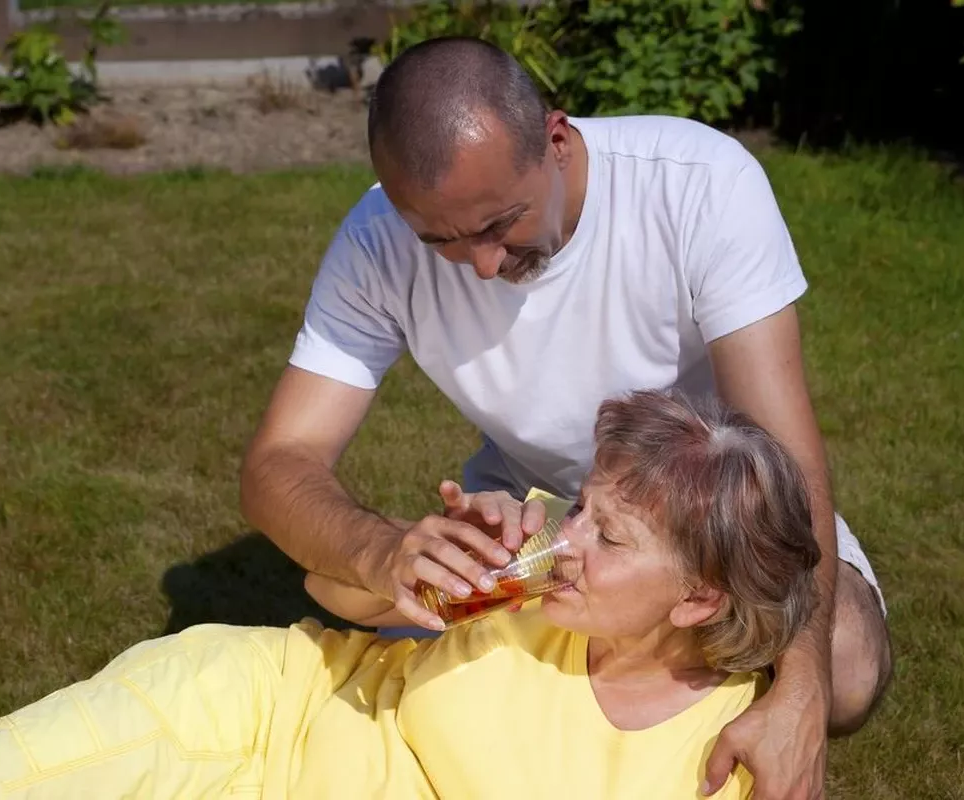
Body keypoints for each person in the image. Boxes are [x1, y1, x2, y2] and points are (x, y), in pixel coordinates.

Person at [238, 35, 892, 799]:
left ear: (555, 139)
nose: (483, 265)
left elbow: (786, 454)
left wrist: (803, 688)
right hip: (539, 520)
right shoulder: (376, 240)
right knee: (350, 586)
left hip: (718, 516)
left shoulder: (699, 184)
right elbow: (278, 462)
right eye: (441, 241)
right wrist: (379, 550)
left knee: (844, 670)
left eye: (500, 223)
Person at [0, 389, 820, 800]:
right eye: (585, 505)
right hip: (263, 714)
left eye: (611, 535)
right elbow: (328, 591)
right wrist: (400, 566)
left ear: (698, 600)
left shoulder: (721, 755)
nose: (572, 537)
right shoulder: (528, 563)